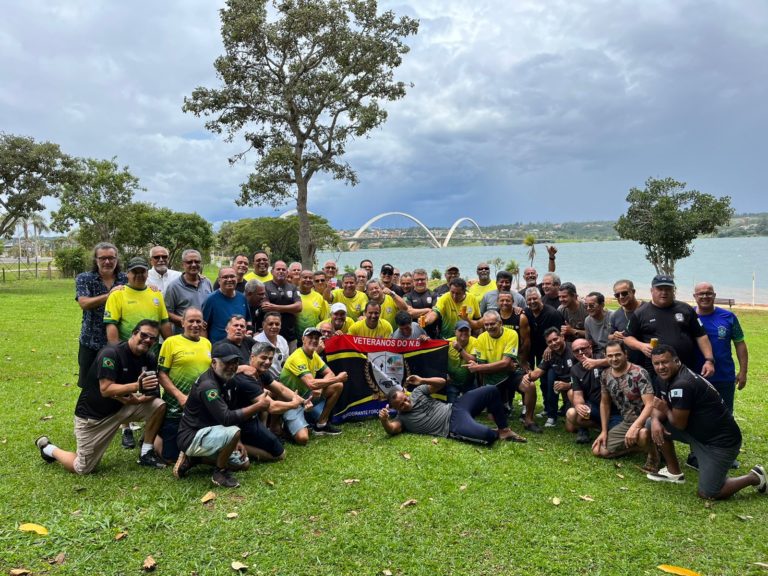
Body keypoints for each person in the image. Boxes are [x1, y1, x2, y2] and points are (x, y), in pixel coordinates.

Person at [35, 320, 167, 473]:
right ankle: (48, 449)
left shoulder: (149, 358)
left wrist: (139, 400)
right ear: (134, 333)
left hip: (123, 407)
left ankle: (146, 452)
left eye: (152, 338)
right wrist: (137, 387)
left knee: (159, 405)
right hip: (94, 417)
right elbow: (106, 389)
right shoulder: (111, 353)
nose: (148, 340)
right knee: (82, 468)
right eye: (144, 335)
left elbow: (153, 392)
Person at [647, 345, 765, 499]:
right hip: (697, 432)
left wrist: (665, 409)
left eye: (665, 362)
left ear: (677, 361)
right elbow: (658, 404)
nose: (661, 367)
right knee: (651, 423)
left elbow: (678, 424)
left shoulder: (683, 383)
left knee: (709, 492)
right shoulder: (663, 378)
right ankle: (673, 472)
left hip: (720, 443)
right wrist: (656, 419)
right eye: (656, 364)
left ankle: (755, 476)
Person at [173, 342, 256, 488]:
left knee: (243, 464)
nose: (232, 366)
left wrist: (238, 441)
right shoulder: (208, 385)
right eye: (227, 362)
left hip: (212, 431)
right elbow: (226, 418)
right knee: (234, 431)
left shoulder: (228, 380)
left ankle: (195, 459)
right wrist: (257, 407)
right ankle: (219, 473)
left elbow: (230, 409)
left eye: (235, 362)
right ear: (213, 362)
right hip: (191, 436)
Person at [378, 375, 527, 444]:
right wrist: (385, 421)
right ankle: (496, 433)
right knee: (488, 436)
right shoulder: (402, 419)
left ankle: (504, 429)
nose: (405, 403)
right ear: (397, 409)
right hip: (452, 425)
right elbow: (392, 429)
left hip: (457, 407)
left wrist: (423, 380)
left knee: (491, 390)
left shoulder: (417, 392)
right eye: (401, 405)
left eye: (404, 398)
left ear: (405, 393)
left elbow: (442, 382)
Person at [624, 275, 715, 380]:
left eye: (668, 289)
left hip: (686, 369)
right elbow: (627, 337)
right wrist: (641, 346)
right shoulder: (641, 313)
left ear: (673, 291)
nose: (664, 292)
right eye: (660, 289)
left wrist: (709, 360)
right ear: (651, 290)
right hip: (657, 372)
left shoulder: (686, 309)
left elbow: (701, 335)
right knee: (659, 397)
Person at [230, 340, 308, 462]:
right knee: (280, 455)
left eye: (270, 359)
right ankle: (233, 447)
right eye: (264, 358)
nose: (267, 362)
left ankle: (256, 436)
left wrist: (304, 402)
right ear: (252, 357)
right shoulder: (245, 379)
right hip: (240, 424)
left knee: (275, 445)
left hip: (252, 419)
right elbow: (271, 407)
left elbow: (281, 389)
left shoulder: (261, 372)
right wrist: (293, 404)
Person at [468, 311, 541, 434]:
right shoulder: (481, 338)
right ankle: (502, 406)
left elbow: (505, 363)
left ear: (500, 323)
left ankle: (529, 421)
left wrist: (480, 368)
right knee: (492, 417)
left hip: (511, 374)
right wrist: (501, 366)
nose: (489, 327)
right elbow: (493, 366)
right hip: (492, 378)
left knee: (530, 385)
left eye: (492, 324)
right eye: (486, 325)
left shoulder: (511, 334)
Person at [592, 340, 658, 472]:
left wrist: (636, 426)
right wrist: (604, 431)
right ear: (605, 356)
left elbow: (650, 404)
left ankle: (654, 455)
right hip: (627, 422)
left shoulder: (639, 373)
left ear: (625, 354)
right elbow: (605, 403)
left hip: (646, 422)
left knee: (643, 434)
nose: (614, 359)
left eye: (617, 355)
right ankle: (639, 447)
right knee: (599, 450)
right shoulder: (605, 375)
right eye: (609, 356)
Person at [156, 308, 212, 462]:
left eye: (198, 321)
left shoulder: (207, 343)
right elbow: (161, 374)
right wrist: (179, 396)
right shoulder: (171, 342)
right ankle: (155, 435)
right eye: (191, 321)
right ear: (182, 323)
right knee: (171, 458)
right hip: (176, 405)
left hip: (200, 406)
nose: (195, 325)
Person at [279, 327, 348, 441]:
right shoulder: (297, 356)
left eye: (316, 338)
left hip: (307, 396)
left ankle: (321, 425)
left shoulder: (313, 354)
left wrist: (320, 387)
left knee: (338, 386)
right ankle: (285, 424)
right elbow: (311, 383)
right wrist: (337, 379)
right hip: (291, 400)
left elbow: (329, 373)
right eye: (310, 337)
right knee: (303, 439)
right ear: (303, 339)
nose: (314, 340)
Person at [75, 242, 127, 388]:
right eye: (102, 258)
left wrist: (152, 287)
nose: (107, 262)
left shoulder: (126, 279)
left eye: (111, 258)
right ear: (96, 260)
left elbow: (141, 289)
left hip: (118, 343)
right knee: (88, 384)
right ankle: (85, 411)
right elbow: (84, 303)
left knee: (116, 382)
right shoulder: (84, 278)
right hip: (90, 341)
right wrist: (109, 295)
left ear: (117, 259)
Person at [693, 282, 748, 414]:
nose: (705, 296)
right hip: (695, 377)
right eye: (701, 293)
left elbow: (740, 343)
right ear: (695, 296)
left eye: (709, 293)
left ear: (714, 295)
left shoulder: (728, 317)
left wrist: (743, 372)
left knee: (725, 415)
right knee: (697, 416)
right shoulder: (689, 316)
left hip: (724, 376)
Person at [104, 256, 172, 345]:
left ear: (147, 273)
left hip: (152, 351)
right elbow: (111, 325)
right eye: (135, 272)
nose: (139, 275)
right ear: (127, 274)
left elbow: (164, 323)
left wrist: (172, 347)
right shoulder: (117, 294)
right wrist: (117, 351)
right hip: (127, 351)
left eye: (142, 272)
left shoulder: (156, 293)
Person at [523, 327, 573, 428]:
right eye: (550, 342)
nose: (553, 343)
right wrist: (527, 376)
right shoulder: (549, 354)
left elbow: (584, 375)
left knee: (571, 427)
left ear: (562, 337)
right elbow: (537, 373)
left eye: (555, 339)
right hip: (559, 383)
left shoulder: (573, 350)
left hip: (575, 385)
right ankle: (551, 415)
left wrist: (569, 385)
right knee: (551, 374)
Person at [565, 338, 609, 444]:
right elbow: (577, 393)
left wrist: (596, 363)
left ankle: (608, 427)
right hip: (594, 405)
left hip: (611, 405)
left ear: (590, 347)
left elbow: (617, 361)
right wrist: (579, 405)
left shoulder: (601, 357)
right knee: (572, 414)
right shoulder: (575, 369)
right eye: (576, 351)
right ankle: (599, 426)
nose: (580, 352)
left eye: (583, 348)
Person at [164, 249, 213, 334]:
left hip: (205, 335)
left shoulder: (207, 282)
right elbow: (167, 313)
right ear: (183, 264)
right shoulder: (174, 287)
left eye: (197, 261)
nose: (194, 265)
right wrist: (188, 321)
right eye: (189, 262)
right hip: (184, 337)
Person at [202, 267, 250, 344]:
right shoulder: (210, 300)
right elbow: (203, 327)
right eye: (225, 277)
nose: (229, 279)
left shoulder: (242, 298)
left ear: (236, 279)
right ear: (219, 281)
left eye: (232, 276)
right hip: (218, 348)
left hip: (239, 346)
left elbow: (248, 320)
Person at [263, 260, 302, 350]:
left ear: (287, 272)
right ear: (272, 271)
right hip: (270, 336)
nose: (281, 271)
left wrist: (275, 307)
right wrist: (290, 308)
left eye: (283, 269)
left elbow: (299, 307)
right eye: (278, 269)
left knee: (290, 363)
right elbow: (266, 307)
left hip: (290, 336)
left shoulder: (293, 287)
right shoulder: (264, 286)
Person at [519, 287, 563, 368]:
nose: (532, 301)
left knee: (546, 377)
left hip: (548, 349)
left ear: (541, 298)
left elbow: (560, 334)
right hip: (531, 349)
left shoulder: (552, 313)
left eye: (535, 298)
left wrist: (550, 347)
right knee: (526, 373)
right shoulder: (525, 313)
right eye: (529, 299)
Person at [446, 321, 478, 403]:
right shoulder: (447, 343)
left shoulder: (475, 341)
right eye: (461, 330)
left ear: (470, 331)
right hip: (452, 382)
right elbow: (439, 360)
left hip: (469, 382)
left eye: (466, 330)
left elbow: (473, 360)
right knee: (451, 406)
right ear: (455, 332)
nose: (464, 333)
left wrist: (459, 349)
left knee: (474, 407)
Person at [405, 268, 439, 338]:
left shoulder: (434, 295)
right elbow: (410, 312)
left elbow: (435, 313)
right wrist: (428, 310)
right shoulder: (407, 296)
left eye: (422, 279)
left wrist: (426, 319)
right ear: (413, 281)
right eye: (417, 280)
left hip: (431, 335)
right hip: (412, 336)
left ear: (427, 280)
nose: (420, 282)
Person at [254, 312, 290, 378]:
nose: (274, 326)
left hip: (281, 378)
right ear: (263, 325)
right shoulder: (256, 341)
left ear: (280, 326)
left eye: (277, 324)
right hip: (264, 380)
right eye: (270, 324)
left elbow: (285, 363)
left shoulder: (282, 340)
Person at [297, 269, 330, 337]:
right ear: (299, 279)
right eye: (305, 277)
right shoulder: (294, 294)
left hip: (314, 338)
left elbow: (324, 320)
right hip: (294, 338)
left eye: (310, 278)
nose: (308, 280)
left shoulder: (319, 298)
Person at [584, 291, 613, 356]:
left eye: (591, 306)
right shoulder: (587, 320)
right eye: (586, 306)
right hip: (600, 351)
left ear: (602, 305)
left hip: (615, 350)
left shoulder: (613, 316)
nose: (588, 308)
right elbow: (589, 341)